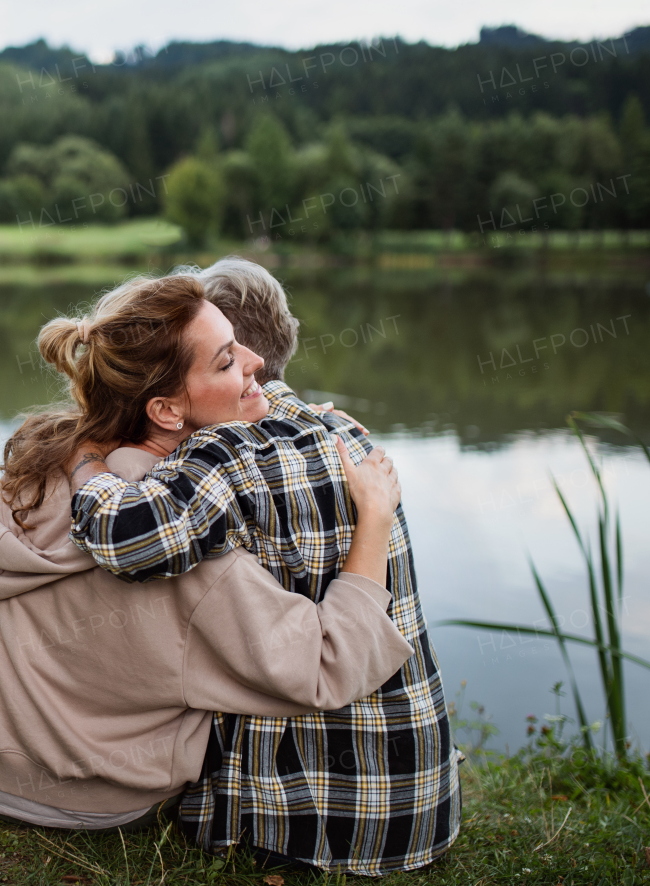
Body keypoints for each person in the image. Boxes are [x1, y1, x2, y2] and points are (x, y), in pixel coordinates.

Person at [0, 273, 415, 837]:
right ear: (165, 410)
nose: (258, 362)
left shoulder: (53, 454)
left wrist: (297, 418)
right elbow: (330, 666)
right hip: (85, 799)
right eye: (228, 360)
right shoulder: (182, 543)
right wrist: (375, 519)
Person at [66, 258, 459, 875]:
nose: (243, 361)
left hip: (317, 824)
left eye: (232, 353)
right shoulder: (343, 433)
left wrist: (86, 459)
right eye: (225, 357)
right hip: (419, 802)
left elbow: (123, 538)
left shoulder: (226, 457)